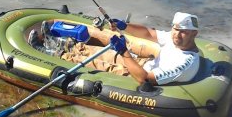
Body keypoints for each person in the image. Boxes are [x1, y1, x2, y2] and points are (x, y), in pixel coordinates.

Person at [28, 12, 200, 86]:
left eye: (183, 32)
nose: (177, 34)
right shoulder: (174, 38)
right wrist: (124, 25)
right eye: (176, 29)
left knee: (98, 63)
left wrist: (124, 52)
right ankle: (57, 43)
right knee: (98, 52)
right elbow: (148, 33)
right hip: (144, 63)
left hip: (137, 74)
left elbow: (144, 79)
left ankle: (49, 52)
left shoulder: (185, 63)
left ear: (194, 34)